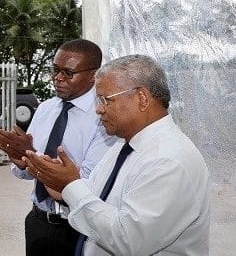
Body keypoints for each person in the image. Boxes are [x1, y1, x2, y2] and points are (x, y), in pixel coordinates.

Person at [24, 54, 210, 255]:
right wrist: (63, 185)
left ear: (142, 98)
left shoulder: (168, 160)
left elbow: (129, 240)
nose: (98, 109)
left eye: (105, 100)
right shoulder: (124, 144)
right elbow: (99, 195)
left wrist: (71, 186)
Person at [0, 38, 116, 255]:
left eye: (68, 73)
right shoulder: (45, 109)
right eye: (55, 70)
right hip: (38, 221)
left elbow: (88, 182)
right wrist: (20, 159)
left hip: (79, 228)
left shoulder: (103, 116)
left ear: (93, 75)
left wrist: (32, 156)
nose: (58, 78)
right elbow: (26, 174)